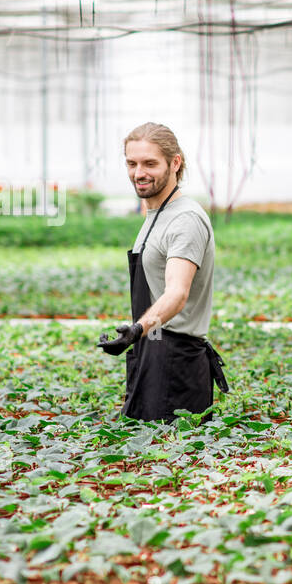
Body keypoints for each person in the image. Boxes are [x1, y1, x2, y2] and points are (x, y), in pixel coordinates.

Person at [96, 122, 228, 421]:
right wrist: (138, 337)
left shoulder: (185, 219)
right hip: (151, 353)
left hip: (175, 363)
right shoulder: (157, 213)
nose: (139, 173)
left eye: (150, 163)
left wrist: (137, 329)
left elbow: (177, 293)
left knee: (168, 461)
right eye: (132, 163)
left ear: (175, 163)